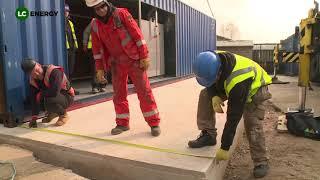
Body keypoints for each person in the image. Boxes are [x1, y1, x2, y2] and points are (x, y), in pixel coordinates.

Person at [189, 51, 272, 178]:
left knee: (252, 122)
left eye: (213, 78)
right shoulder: (213, 60)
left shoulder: (238, 81)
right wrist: (214, 96)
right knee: (205, 94)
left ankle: (261, 161)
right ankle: (209, 135)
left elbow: (233, 116)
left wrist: (225, 147)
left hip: (256, 90)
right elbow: (209, 83)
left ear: (220, 72)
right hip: (233, 86)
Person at [85, 0, 161, 136]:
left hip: (134, 60)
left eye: (102, 6)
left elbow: (138, 35)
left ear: (107, 4)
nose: (101, 10)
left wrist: (144, 56)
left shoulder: (121, 14)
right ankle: (122, 123)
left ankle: (154, 123)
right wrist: (100, 69)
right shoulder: (95, 25)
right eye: (97, 9)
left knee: (144, 91)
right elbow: (96, 49)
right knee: (118, 94)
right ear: (94, 11)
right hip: (116, 63)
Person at [21, 59, 75, 128]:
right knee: (33, 99)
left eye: (37, 70)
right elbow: (34, 98)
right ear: (29, 75)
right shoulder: (33, 81)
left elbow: (54, 91)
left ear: (39, 65)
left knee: (48, 99)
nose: (37, 74)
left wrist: (40, 95)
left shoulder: (54, 71)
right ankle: (53, 112)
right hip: (54, 97)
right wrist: (34, 118)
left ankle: (63, 114)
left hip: (67, 96)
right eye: (33, 74)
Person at [83, 21, 107, 94]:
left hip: (104, 49)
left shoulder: (109, 22)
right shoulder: (94, 22)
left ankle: (102, 85)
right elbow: (86, 32)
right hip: (93, 49)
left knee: (104, 67)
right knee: (95, 68)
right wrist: (85, 44)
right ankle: (95, 86)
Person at [65, 4, 79, 95]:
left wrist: (75, 46)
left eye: (67, 11)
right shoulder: (58, 22)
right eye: (64, 11)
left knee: (70, 70)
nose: (66, 13)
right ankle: (65, 89)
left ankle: (70, 88)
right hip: (64, 50)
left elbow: (73, 35)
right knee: (65, 71)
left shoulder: (70, 23)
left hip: (71, 49)